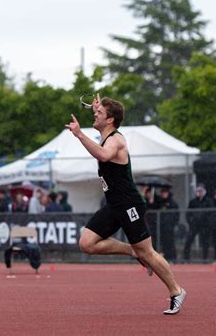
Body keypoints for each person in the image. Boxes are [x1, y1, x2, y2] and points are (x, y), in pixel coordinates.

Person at [65, 96, 185, 315]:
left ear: (110, 119)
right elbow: (102, 132)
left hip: (129, 204)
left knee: (148, 253)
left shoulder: (116, 140)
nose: (95, 114)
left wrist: (79, 134)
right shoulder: (105, 135)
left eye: (100, 114)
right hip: (113, 205)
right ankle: (133, 251)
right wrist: (98, 106)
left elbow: (103, 154)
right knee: (87, 243)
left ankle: (176, 291)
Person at [183, 184, 212, 261]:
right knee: (188, 241)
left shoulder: (208, 201)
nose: (199, 192)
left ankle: (204, 259)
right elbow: (188, 213)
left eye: (201, 191)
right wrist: (190, 221)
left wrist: (207, 222)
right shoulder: (193, 202)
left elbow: (210, 213)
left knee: (205, 243)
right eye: (198, 191)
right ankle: (186, 259)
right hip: (194, 225)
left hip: (204, 225)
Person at [154, 186, 179, 262]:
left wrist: (172, 224)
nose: (164, 194)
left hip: (169, 228)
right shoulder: (159, 203)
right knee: (160, 243)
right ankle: (162, 259)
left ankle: (172, 259)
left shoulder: (173, 203)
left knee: (170, 243)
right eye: (162, 192)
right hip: (160, 227)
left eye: (165, 192)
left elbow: (176, 215)